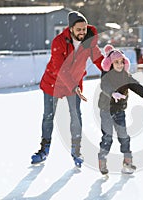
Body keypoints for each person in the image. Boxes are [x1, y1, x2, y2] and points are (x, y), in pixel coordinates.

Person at [31, 11, 104, 168]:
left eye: (84, 29)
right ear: (71, 29)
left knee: (76, 115)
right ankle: (44, 149)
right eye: (79, 30)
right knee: (48, 116)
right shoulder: (59, 41)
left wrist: (111, 69)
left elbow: (98, 59)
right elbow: (60, 68)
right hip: (54, 83)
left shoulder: (88, 41)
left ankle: (76, 150)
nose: (82, 33)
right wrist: (74, 86)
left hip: (74, 85)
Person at [97, 44, 143, 175]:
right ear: (110, 63)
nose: (119, 64)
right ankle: (102, 159)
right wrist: (112, 93)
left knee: (124, 136)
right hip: (106, 109)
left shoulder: (125, 75)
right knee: (108, 137)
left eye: (121, 62)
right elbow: (104, 85)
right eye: (116, 62)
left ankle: (127, 162)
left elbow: (134, 85)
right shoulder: (106, 75)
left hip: (119, 110)